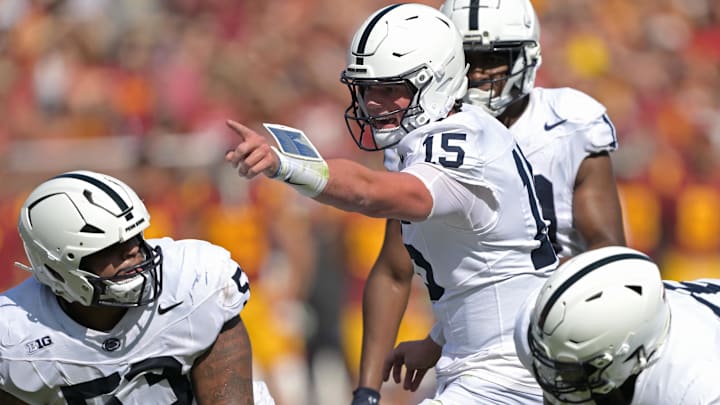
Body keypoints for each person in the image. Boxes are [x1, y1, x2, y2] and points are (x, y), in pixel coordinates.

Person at [225, 3, 557, 404]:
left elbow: (370, 192)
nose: (374, 104)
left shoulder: (463, 140)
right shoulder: (419, 146)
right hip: (482, 360)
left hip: (510, 370)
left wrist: (286, 164)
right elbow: (404, 270)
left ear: (435, 81)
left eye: (391, 90)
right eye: (367, 90)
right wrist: (373, 386)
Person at [379, 0, 625, 398]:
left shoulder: (568, 122)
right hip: (478, 341)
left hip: (576, 320)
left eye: (491, 59)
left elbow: (607, 250)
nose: (477, 74)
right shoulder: (423, 139)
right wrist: (367, 389)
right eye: (466, 59)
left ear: (526, 56)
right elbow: (393, 268)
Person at [0, 170, 275, 405]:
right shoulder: (13, 336)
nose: (134, 252)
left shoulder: (193, 283)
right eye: (110, 248)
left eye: (135, 236)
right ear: (56, 269)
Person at [514, 245, 720, 404]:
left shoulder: (696, 389)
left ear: (631, 355)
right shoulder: (539, 323)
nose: (554, 379)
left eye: (572, 370)